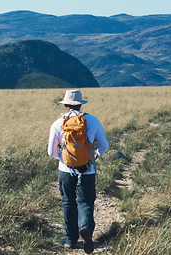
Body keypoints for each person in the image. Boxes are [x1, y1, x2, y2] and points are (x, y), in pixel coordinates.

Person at [47, 89, 109, 253]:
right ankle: (86, 227)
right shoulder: (92, 121)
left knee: (68, 202)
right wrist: (95, 155)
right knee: (85, 201)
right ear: (80, 104)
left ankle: (70, 239)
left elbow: (51, 152)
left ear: (65, 105)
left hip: (65, 171)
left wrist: (64, 159)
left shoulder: (58, 123)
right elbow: (104, 145)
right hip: (87, 170)